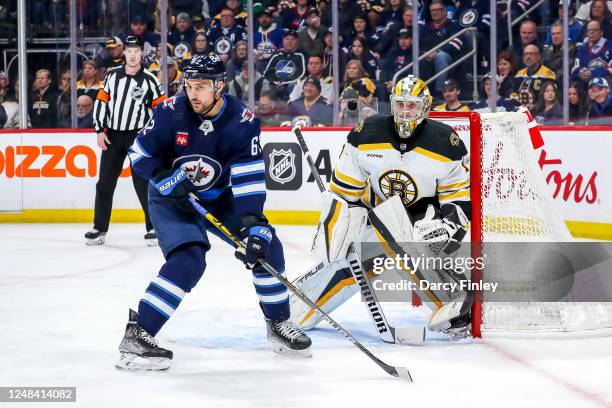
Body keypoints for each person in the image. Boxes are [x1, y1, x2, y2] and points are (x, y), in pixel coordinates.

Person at [116, 54, 312, 371]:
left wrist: (253, 225)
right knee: (189, 259)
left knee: (266, 246)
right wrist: (163, 177)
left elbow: (248, 178)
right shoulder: (170, 111)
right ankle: (139, 334)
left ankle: (278, 324)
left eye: (201, 86)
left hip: (218, 196)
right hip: (171, 197)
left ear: (219, 86)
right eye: (189, 85)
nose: (193, 93)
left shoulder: (242, 122)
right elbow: (139, 152)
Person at [289, 75, 473, 339]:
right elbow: (344, 192)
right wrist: (337, 225)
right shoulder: (367, 134)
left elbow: (458, 201)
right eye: (400, 105)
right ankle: (299, 308)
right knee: (349, 263)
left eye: (412, 106)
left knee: (409, 242)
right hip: (380, 217)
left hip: (423, 221)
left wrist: (446, 228)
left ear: (425, 106)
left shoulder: (445, 143)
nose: (406, 112)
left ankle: (452, 303)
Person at [87, 36, 166, 246]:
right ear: (124, 53)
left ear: (141, 53)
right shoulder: (112, 76)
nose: (132, 55)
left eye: (136, 50)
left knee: (142, 183)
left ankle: (153, 227)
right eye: (129, 50)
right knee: (104, 183)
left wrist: (149, 133)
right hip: (112, 135)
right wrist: (99, 130)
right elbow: (102, 103)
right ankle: (99, 228)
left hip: (137, 138)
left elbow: (162, 111)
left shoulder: (150, 79)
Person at [511, 44, 556, 108]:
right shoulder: (519, 74)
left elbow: (551, 97)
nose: (528, 56)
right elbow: (513, 92)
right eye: (526, 54)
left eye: (531, 54)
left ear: (539, 57)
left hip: (540, 112)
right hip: (521, 112)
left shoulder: (548, 75)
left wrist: (535, 107)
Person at [571, 20, 612, 86]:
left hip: (606, 84)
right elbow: (575, 69)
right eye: (589, 30)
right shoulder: (582, 48)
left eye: (595, 30)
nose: (591, 32)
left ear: (601, 32)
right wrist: (581, 72)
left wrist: (593, 73)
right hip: (586, 82)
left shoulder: (610, 46)